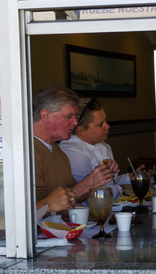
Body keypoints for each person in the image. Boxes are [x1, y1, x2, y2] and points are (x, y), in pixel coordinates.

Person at [32, 85, 114, 214]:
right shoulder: (27, 154)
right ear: (45, 115)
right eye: (69, 116)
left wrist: (95, 182)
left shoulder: (57, 151)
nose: (75, 123)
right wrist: (87, 185)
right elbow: (26, 214)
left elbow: (69, 200)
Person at [59, 97, 129, 200]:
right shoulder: (72, 151)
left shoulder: (103, 145)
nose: (107, 126)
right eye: (100, 124)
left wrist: (131, 178)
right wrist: (124, 188)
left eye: (105, 120)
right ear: (81, 130)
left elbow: (111, 183)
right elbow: (93, 196)